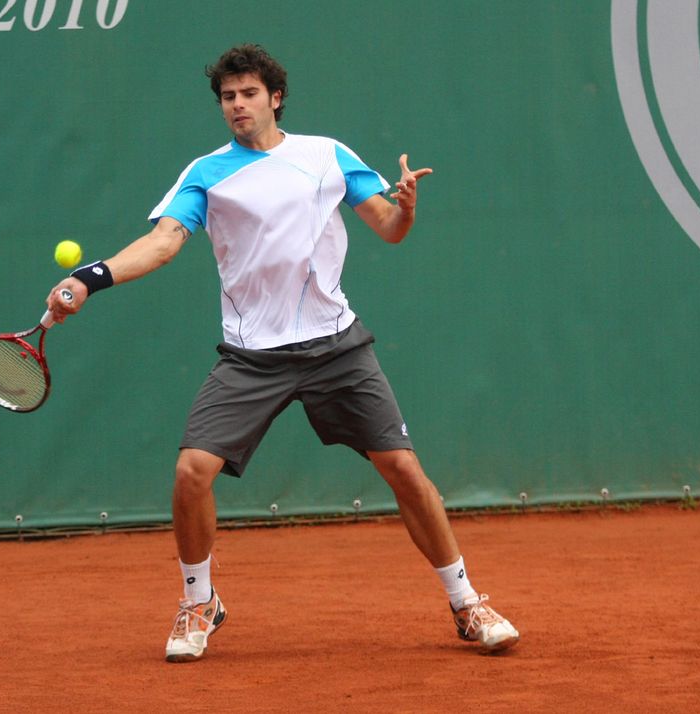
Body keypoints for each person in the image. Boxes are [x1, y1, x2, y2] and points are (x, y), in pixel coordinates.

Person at [47, 44, 519, 663]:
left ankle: (466, 603)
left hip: (336, 347)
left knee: (404, 470)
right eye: (227, 97)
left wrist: (405, 208)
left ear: (275, 98)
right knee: (191, 474)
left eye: (248, 93)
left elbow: (388, 228)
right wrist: (91, 277)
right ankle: (199, 602)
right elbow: (163, 243)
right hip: (252, 358)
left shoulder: (327, 155)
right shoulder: (206, 173)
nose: (237, 105)